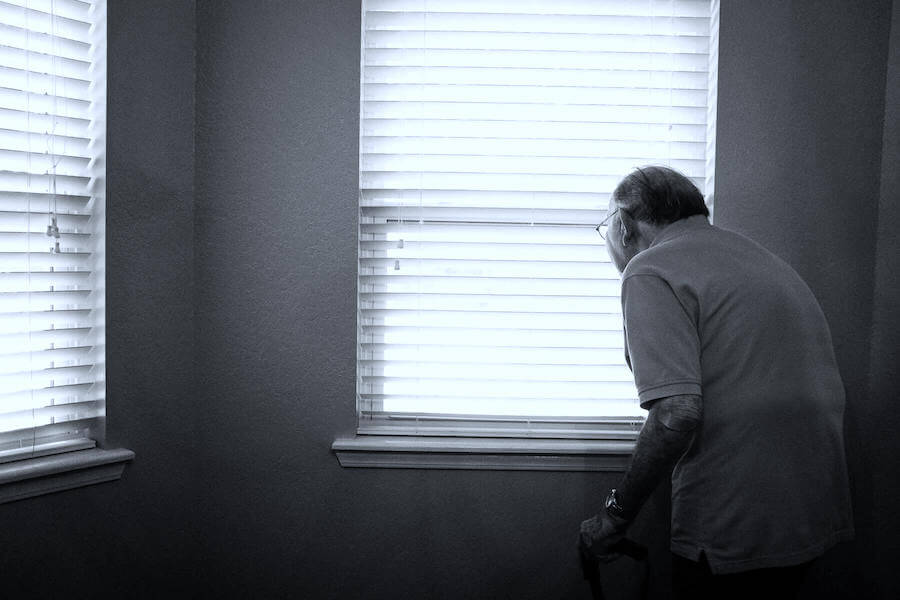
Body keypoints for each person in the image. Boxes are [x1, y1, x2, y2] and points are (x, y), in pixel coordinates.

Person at [578, 166, 854, 599]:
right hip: (812, 507)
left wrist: (614, 516)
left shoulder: (649, 268)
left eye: (604, 228)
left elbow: (676, 413)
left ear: (624, 225)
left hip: (736, 516)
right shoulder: (758, 257)